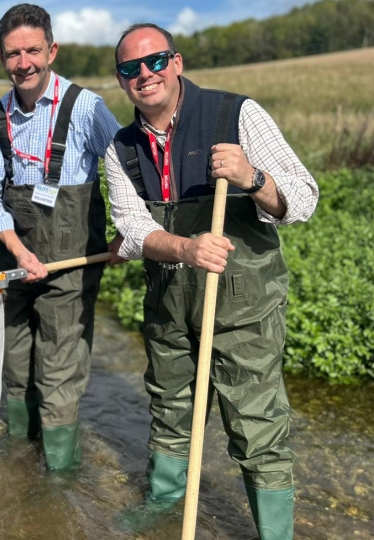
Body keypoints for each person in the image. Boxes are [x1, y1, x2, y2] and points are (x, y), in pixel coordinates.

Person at [105, 24, 319, 539]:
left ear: (176, 62)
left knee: (256, 423)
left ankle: (275, 534)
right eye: (131, 68)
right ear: (121, 80)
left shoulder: (237, 114)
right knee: (170, 409)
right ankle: (163, 506)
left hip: (244, 305)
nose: (145, 75)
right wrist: (185, 248)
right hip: (170, 307)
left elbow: (304, 199)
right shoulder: (122, 148)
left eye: (155, 61)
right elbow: (133, 232)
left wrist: (253, 179)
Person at [0, 3, 120, 470]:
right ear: (2, 58)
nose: (24, 63)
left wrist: (129, 236)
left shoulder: (87, 108)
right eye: (13, 54)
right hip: (14, 262)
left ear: (51, 50)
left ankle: (58, 475)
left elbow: (123, 172)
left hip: (73, 264)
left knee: (58, 371)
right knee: (15, 363)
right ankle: (20, 454)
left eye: (33, 50)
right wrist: (20, 253)